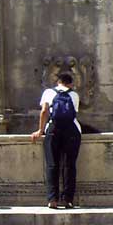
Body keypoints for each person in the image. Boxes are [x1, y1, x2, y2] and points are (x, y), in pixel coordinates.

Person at [31, 72, 81, 209]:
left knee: (52, 164)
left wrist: (40, 131)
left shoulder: (49, 92)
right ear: (70, 84)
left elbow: (44, 111)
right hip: (72, 130)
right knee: (69, 165)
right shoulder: (74, 95)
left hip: (53, 129)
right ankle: (67, 200)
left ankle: (52, 199)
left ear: (58, 82)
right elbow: (74, 113)